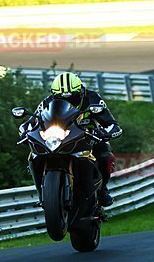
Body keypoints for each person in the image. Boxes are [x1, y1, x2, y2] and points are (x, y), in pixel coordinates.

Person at [31, 72, 122, 206]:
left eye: (72, 98)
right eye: (61, 98)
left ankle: (102, 189)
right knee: (33, 155)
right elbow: (32, 120)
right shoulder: (48, 101)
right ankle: (43, 193)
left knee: (105, 154)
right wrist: (25, 129)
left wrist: (105, 133)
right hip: (59, 137)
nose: (67, 102)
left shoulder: (92, 98)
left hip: (88, 137)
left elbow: (112, 124)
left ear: (80, 91)